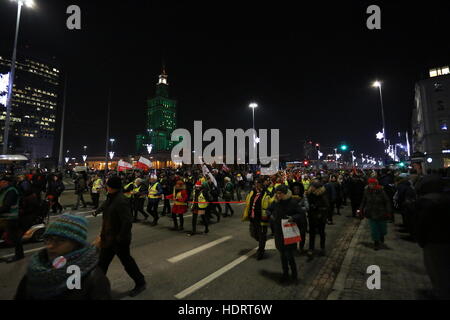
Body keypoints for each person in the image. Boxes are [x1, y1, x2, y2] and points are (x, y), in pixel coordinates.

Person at [14, 214, 111, 300]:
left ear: (76, 244)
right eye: (48, 239)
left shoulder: (93, 278)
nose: (50, 245)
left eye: (60, 240)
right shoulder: (34, 270)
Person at [94, 176, 146, 297]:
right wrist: (97, 211)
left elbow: (127, 222)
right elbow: (106, 205)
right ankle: (96, 287)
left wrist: (120, 238)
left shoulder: (121, 200)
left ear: (112, 187)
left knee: (127, 263)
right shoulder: (111, 197)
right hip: (109, 237)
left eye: (108, 185)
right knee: (102, 263)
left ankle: (140, 283)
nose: (106, 187)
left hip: (119, 240)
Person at [414, 175, 450, 299]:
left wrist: (420, 239)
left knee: (437, 269)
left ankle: (441, 292)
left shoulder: (427, 202)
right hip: (441, 239)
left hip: (434, 241)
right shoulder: (445, 198)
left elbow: (422, 223)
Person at [266, 185, 303, 283]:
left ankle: (294, 275)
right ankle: (285, 274)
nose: (278, 195)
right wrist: (270, 215)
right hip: (279, 233)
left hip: (289, 232)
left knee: (289, 255)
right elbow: (269, 209)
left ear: (285, 193)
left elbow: (301, 214)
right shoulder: (276, 202)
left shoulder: (292, 202)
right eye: (277, 193)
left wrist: (292, 218)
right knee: (282, 255)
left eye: (280, 193)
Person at [242, 178, 273, 260]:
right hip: (253, 217)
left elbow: (271, 204)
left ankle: (261, 251)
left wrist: (269, 213)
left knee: (262, 236)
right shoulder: (252, 192)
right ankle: (261, 242)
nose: (256, 185)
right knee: (254, 234)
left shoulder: (266, 193)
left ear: (262, 184)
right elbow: (248, 202)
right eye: (255, 183)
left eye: (258, 183)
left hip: (262, 219)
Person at [358, 178, 392, 251]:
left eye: (373, 184)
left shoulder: (381, 191)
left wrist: (388, 211)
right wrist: (361, 210)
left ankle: (381, 235)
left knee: (383, 228)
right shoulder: (366, 191)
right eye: (370, 184)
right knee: (374, 229)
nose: (371, 185)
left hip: (381, 213)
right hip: (371, 213)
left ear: (376, 184)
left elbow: (387, 201)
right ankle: (376, 242)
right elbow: (363, 201)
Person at [0, 175, 24, 262]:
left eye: (1, 182)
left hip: (11, 218)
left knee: (14, 238)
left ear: (6, 182)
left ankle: (19, 255)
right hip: (4, 218)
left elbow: (7, 206)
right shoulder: (4, 190)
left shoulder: (11, 191)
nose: (0, 184)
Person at [306, 181, 330, 259]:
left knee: (321, 233)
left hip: (320, 217)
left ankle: (322, 248)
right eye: (311, 186)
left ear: (317, 188)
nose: (311, 187)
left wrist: (319, 209)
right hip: (312, 216)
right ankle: (311, 248)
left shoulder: (322, 194)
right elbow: (308, 204)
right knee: (312, 233)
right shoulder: (309, 194)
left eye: (313, 186)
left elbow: (326, 206)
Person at [291, 182, 309, 254]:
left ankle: (301, 248)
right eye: (294, 189)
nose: (296, 190)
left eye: (298, 189)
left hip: (302, 219)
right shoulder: (290, 197)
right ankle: (294, 249)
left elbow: (307, 207)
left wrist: (298, 209)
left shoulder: (303, 196)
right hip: (294, 219)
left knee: (302, 234)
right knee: (293, 234)